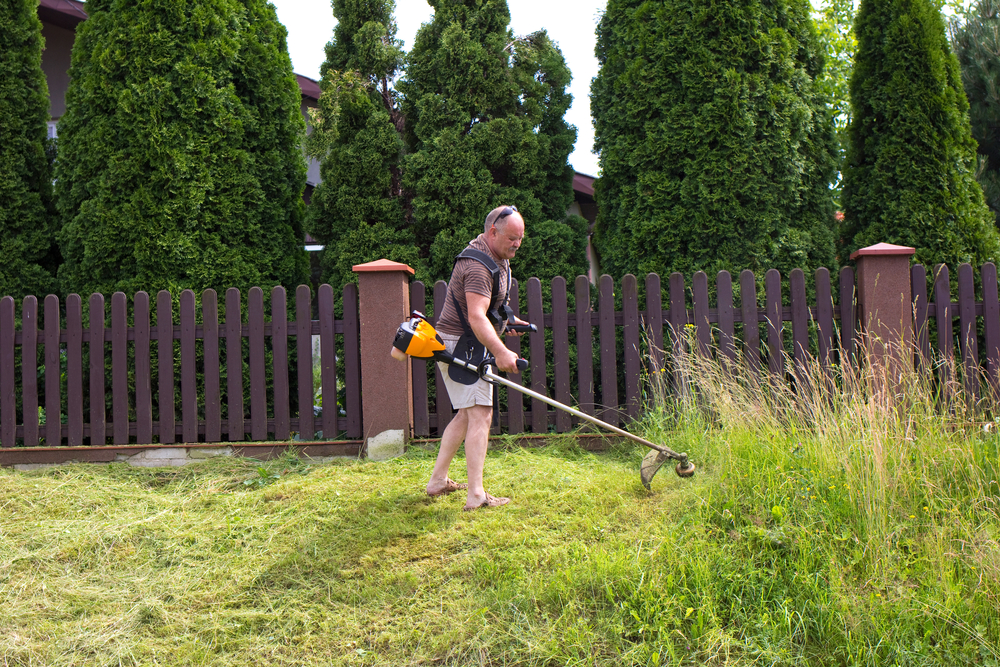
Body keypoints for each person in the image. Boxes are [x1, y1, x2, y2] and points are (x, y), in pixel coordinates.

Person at [425, 204, 530, 510]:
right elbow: (475, 317)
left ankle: (437, 482)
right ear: (492, 232)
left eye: (520, 239)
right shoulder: (477, 265)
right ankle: (476, 496)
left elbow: (488, 311)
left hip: (463, 342)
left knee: (466, 414)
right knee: (481, 413)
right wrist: (501, 351)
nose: (517, 244)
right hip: (460, 345)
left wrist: (507, 323)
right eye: (512, 237)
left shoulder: (496, 256)